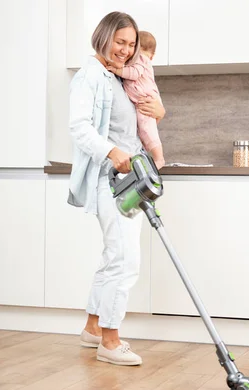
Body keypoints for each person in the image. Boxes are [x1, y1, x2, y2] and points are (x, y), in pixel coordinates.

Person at [67, 11, 166, 366]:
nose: (125, 50)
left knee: (114, 257)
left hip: (129, 180)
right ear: (103, 36)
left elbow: (142, 111)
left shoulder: (117, 76)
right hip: (110, 179)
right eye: (119, 42)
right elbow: (79, 127)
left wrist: (160, 110)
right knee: (125, 260)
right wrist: (113, 152)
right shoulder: (89, 77)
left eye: (131, 44)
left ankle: (93, 328)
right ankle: (111, 341)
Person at [106, 31, 165, 169]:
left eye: (132, 46)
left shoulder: (141, 60)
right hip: (144, 101)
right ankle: (156, 156)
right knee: (146, 130)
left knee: (148, 130)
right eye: (121, 43)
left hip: (145, 100)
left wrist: (117, 70)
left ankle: (159, 158)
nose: (127, 52)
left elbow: (134, 73)